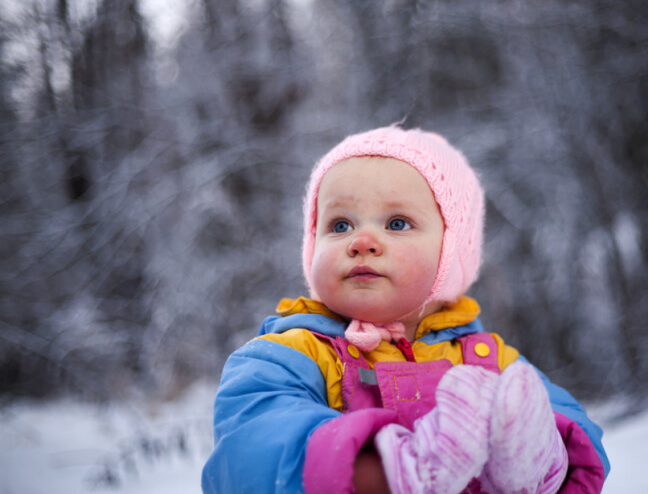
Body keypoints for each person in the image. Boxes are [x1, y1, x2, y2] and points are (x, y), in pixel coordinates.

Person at [201, 126, 610, 494]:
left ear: (450, 253)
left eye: (396, 223)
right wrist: (382, 472)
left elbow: (574, 426)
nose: (361, 241)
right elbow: (251, 444)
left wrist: (540, 452)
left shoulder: (488, 359)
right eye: (339, 225)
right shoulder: (293, 353)